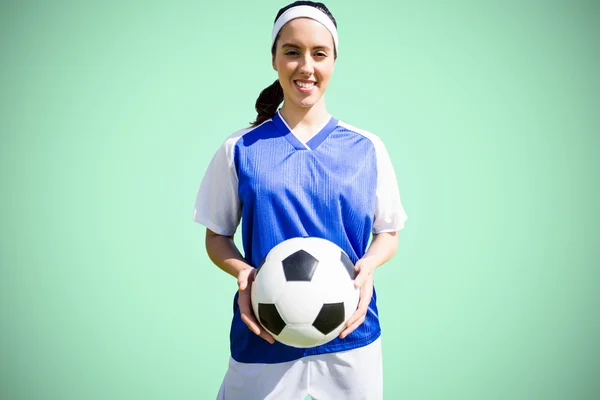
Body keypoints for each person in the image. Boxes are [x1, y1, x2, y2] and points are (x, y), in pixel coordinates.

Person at [193, 1, 407, 398]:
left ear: (334, 61)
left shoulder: (367, 149)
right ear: (274, 58)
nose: (306, 66)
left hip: (350, 338)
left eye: (319, 53)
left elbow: (388, 233)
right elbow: (216, 236)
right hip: (263, 335)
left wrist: (370, 264)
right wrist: (242, 271)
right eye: (292, 51)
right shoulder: (240, 148)